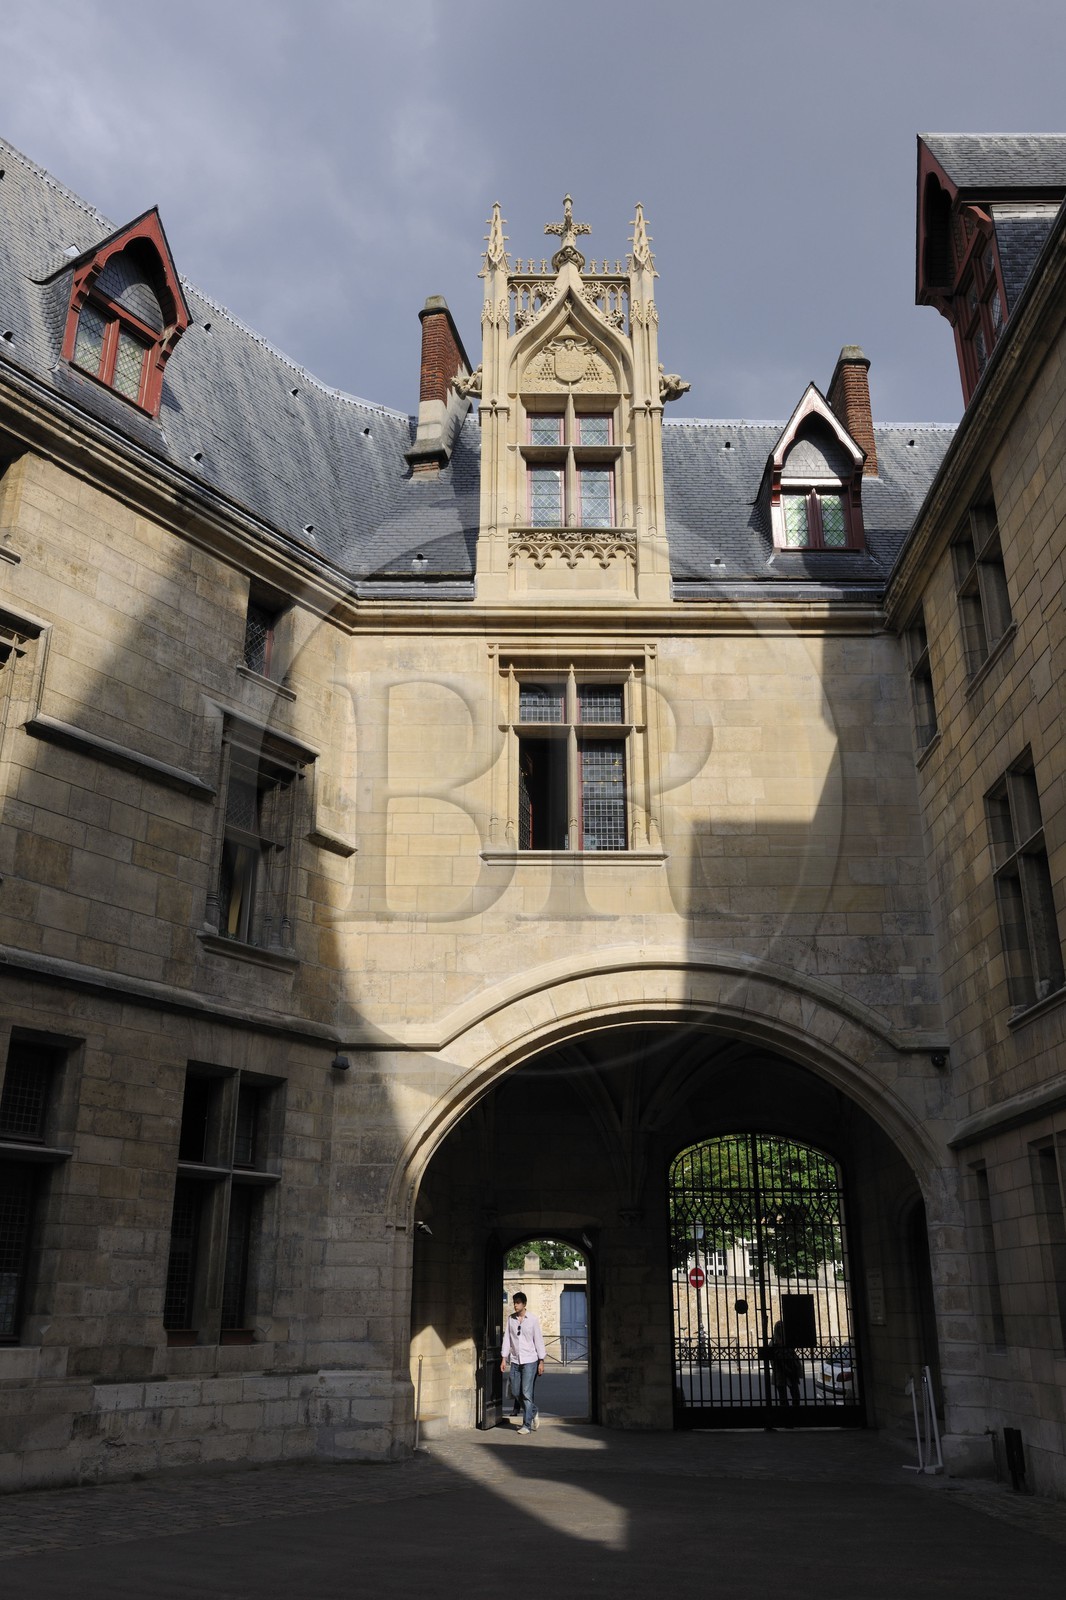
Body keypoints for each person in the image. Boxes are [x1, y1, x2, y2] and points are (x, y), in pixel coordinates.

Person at [500, 1291, 546, 1434]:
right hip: (515, 1360)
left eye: (518, 1302)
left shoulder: (532, 1320)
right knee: (515, 1391)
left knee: (526, 1392)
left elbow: (538, 1340)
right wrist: (504, 1358)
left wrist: (541, 1361)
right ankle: (533, 1410)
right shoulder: (511, 1320)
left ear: (524, 1304)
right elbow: (507, 1339)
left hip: (530, 1360)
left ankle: (526, 1425)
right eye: (514, 1302)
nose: (515, 1305)